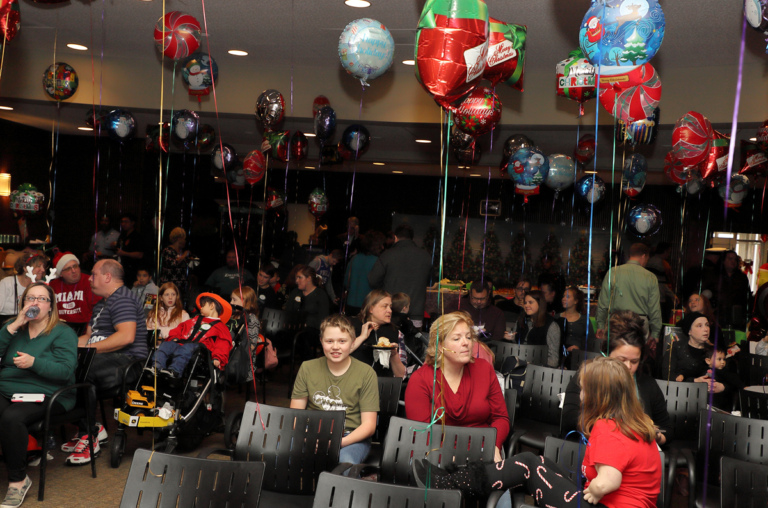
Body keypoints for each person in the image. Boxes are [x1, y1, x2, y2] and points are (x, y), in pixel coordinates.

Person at [414, 356, 662, 508]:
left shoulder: (608, 428)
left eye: (585, 390)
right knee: (535, 461)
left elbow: (610, 480)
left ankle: (449, 482)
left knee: (529, 464)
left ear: (600, 395)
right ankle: (452, 481)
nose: (581, 396)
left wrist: (595, 490)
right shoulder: (634, 422)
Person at [0, 282, 77, 508]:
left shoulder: (63, 333)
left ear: (51, 307)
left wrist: (34, 363)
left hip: (47, 393)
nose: (35, 303)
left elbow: (65, 371)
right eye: (30, 298)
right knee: (8, 419)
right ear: (22, 303)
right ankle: (23, 453)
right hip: (8, 388)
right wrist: (15, 324)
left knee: (11, 419)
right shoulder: (14, 329)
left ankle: (18, 481)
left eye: (42, 299)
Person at [63, 259, 148, 465]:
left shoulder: (123, 299)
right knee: (61, 367)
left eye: (93, 274)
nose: (89, 278)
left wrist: (85, 352)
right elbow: (89, 338)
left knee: (82, 370)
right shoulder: (102, 303)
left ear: (107, 277)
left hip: (130, 362)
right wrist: (64, 348)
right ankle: (92, 427)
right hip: (106, 358)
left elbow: (126, 337)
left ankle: (89, 435)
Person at [405, 311, 509, 462]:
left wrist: (493, 446)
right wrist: (451, 457)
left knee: (527, 463)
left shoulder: (484, 369)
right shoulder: (421, 379)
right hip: (438, 456)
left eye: (468, 337)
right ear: (440, 346)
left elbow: (501, 418)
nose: (466, 342)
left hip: (482, 452)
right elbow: (422, 433)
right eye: (457, 338)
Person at [562, 310, 671, 445]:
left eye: (634, 361)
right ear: (606, 353)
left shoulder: (647, 384)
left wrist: (656, 436)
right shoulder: (587, 376)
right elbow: (569, 419)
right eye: (621, 359)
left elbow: (666, 428)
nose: (628, 367)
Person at [290, 314, 379, 465]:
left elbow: (369, 425)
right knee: (279, 455)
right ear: (321, 342)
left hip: (351, 437)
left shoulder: (366, 373)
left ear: (352, 343)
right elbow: (295, 416)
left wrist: (336, 443)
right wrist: (308, 438)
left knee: (345, 464)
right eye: (329, 341)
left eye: (342, 341)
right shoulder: (307, 368)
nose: (335, 347)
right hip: (311, 433)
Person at [595, 243, 661, 351]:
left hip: (616, 321)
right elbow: (654, 309)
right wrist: (655, 333)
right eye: (647, 258)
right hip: (639, 324)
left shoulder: (613, 272)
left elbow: (603, 303)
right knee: (634, 360)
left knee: (615, 357)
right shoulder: (650, 277)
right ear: (644, 256)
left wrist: (601, 325)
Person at [152, 293, 232, 378]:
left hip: (200, 351)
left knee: (187, 348)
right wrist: (174, 337)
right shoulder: (195, 319)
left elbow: (223, 344)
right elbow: (180, 328)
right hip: (182, 344)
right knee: (165, 345)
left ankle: (174, 371)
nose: (200, 308)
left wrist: (218, 357)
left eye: (203, 306)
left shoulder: (221, 327)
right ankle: (156, 367)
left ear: (212, 306)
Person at [368, 224, 432, 328]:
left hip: (391, 311)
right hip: (416, 310)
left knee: (389, 341)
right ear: (412, 238)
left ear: (395, 237)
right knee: (412, 342)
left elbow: (372, 280)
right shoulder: (426, 256)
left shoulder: (387, 255)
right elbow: (430, 281)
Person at [349, 290, 406, 378]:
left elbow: (401, 375)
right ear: (371, 309)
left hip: (381, 385)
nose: (390, 310)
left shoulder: (393, 331)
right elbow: (340, 353)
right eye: (385, 306)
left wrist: (394, 355)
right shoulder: (352, 325)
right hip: (354, 381)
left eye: (390, 307)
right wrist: (362, 337)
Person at [49, 251, 101, 336]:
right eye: (68, 269)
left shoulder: (90, 281)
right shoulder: (52, 285)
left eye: (75, 266)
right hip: (58, 330)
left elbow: (97, 310)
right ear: (61, 273)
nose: (74, 271)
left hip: (85, 330)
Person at [661, 312, 711, 382]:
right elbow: (667, 375)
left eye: (707, 325)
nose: (706, 329)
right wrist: (694, 380)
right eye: (699, 326)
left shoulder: (712, 350)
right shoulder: (676, 347)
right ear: (689, 331)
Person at [344, 230, 385, 317]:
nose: (383, 247)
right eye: (381, 244)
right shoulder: (378, 261)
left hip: (350, 303)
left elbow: (346, 282)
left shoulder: (354, 258)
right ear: (377, 245)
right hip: (368, 305)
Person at [516, 290, 561, 367]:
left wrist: (537, 368)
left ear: (540, 304)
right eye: (525, 303)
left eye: (530, 302)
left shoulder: (551, 325)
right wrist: (512, 337)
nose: (526, 305)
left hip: (538, 368)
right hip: (519, 362)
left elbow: (553, 359)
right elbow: (516, 344)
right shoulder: (522, 320)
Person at [712, 249, 752, 329]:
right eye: (730, 259)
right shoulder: (714, 276)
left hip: (737, 316)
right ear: (723, 261)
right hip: (718, 316)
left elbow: (747, 297)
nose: (733, 261)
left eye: (735, 259)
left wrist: (746, 315)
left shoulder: (742, 277)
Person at [230, 286, 262, 382]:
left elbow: (252, 346)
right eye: (231, 299)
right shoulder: (232, 316)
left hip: (242, 360)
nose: (231, 302)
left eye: (234, 300)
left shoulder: (251, 319)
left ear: (245, 302)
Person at [284, 265, 330, 331]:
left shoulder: (320, 294)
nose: (297, 281)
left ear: (309, 278)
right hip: (293, 329)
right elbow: (288, 312)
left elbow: (323, 320)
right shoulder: (295, 292)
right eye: (296, 278)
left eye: (299, 277)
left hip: (312, 332)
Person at [561, 286, 598, 367]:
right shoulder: (557, 318)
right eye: (563, 296)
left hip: (579, 358)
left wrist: (579, 349)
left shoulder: (584, 320)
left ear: (576, 301)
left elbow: (591, 341)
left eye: (567, 297)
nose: (563, 299)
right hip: (561, 357)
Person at [0, 255, 46, 321]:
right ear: (25, 268)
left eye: (43, 266)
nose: (43, 270)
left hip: (31, 323)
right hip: (6, 323)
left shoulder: (41, 285)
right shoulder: (7, 283)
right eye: (38, 266)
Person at [701, 343, 743, 410]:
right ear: (708, 361)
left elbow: (734, 379)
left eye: (724, 359)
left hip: (718, 402)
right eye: (719, 359)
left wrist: (742, 386)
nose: (723, 362)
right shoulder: (702, 369)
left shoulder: (723, 372)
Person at [646, 242, 676, 324]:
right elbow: (661, 283)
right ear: (665, 251)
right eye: (669, 252)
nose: (669, 254)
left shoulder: (650, 260)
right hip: (659, 296)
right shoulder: (660, 263)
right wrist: (672, 295)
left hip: (650, 295)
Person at [159, 227, 190, 300]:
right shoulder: (168, 251)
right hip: (170, 285)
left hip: (181, 286)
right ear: (179, 238)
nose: (185, 241)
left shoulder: (181, 251)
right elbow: (172, 263)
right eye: (184, 239)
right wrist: (184, 255)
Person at [116, 213, 146, 287]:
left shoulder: (137, 236)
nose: (123, 224)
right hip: (122, 267)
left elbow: (140, 255)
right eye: (122, 222)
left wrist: (124, 253)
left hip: (133, 269)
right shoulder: (122, 235)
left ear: (132, 223)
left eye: (126, 222)